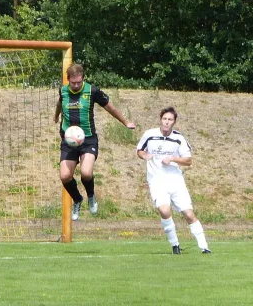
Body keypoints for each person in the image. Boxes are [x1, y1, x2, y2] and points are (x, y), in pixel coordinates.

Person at [54, 63, 135, 221]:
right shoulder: (63, 91)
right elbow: (59, 103)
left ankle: (91, 196)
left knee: (86, 173)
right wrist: (56, 115)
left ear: (83, 78)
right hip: (68, 141)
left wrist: (125, 122)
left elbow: (110, 108)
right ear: (68, 79)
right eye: (73, 82)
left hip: (88, 140)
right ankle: (77, 199)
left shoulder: (92, 91)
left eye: (79, 82)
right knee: (64, 176)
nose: (76, 85)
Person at [136, 107, 211, 254]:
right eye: (165, 119)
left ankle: (204, 247)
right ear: (160, 119)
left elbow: (188, 160)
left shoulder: (179, 138)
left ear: (174, 122)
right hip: (156, 181)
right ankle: (175, 245)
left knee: (189, 214)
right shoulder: (149, 134)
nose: (166, 122)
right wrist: (144, 156)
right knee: (164, 211)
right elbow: (139, 150)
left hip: (175, 181)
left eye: (170, 120)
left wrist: (172, 158)